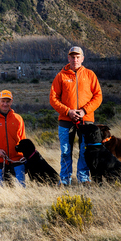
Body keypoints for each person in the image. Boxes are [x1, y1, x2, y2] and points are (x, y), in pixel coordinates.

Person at [49, 46, 102, 185]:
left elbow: (98, 96)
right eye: (72, 57)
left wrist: (84, 111)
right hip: (66, 121)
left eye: (78, 57)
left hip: (86, 122)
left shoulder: (90, 75)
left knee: (84, 151)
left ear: (82, 58)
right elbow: (53, 99)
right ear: (68, 58)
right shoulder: (61, 76)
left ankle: (83, 179)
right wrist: (68, 112)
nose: (75, 59)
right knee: (66, 152)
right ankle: (65, 180)